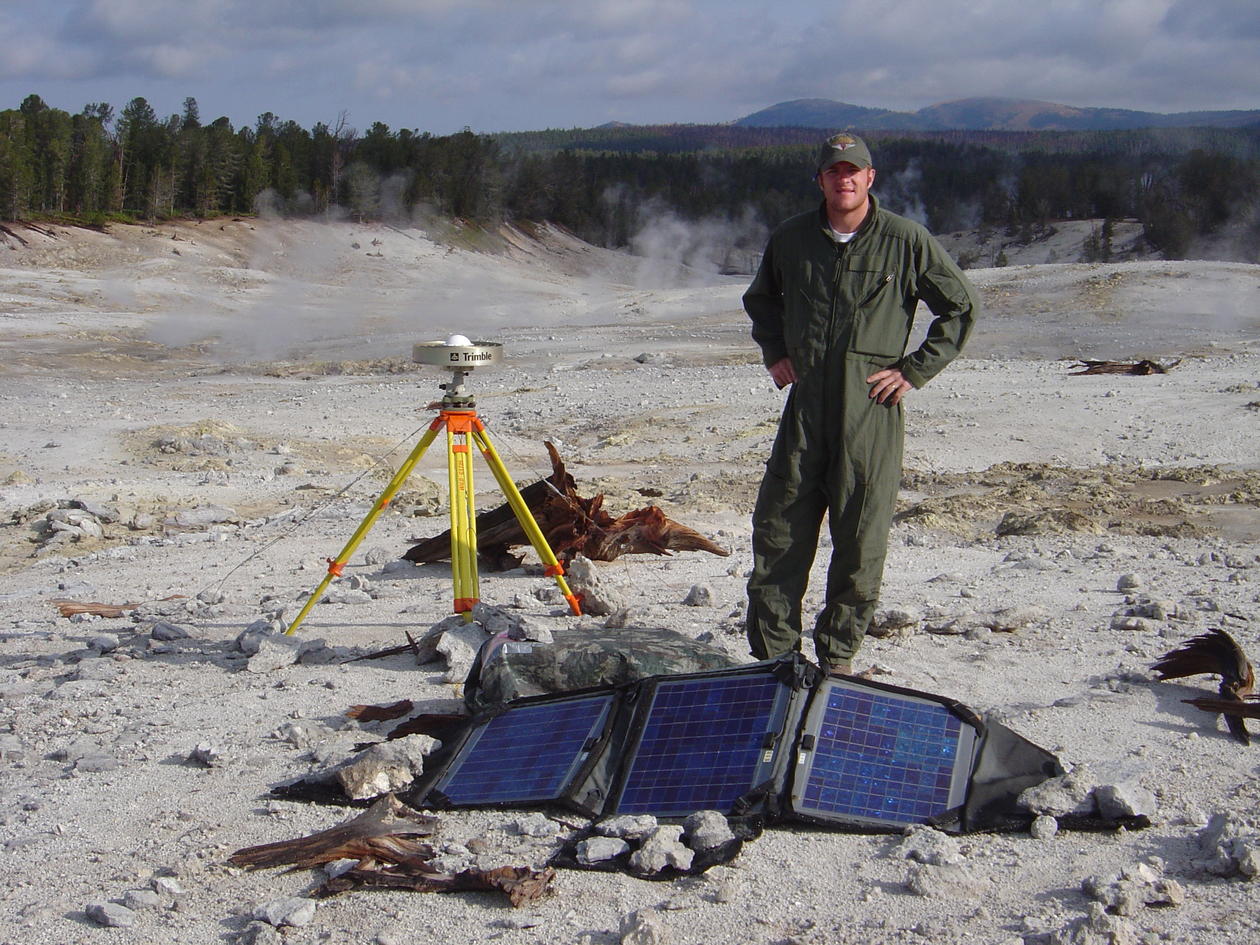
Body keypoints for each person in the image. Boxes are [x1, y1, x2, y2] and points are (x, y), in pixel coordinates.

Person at [743, 132, 979, 676]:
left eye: (854, 171)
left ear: (870, 178)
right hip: (804, 413)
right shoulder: (792, 239)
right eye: (833, 171)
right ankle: (776, 661)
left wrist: (915, 370)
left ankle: (839, 659)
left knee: (860, 540)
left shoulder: (905, 240)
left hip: (870, 412)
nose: (843, 179)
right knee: (778, 533)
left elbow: (960, 307)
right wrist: (775, 352)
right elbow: (761, 299)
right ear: (820, 180)